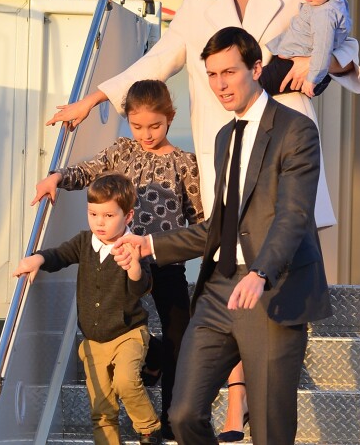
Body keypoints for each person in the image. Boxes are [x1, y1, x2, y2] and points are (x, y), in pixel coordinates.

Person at [45, 0, 360, 441]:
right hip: (226, 142)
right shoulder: (198, 3)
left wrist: (317, 63)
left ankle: (243, 410)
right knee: (229, 257)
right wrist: (92, 98)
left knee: (268, 249)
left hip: (281, 131)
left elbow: (344, 41)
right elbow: (160, 60)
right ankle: (235, 409)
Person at [112, 27, 333, 445]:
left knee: (270, 430)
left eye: (229, 72)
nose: (219, 85)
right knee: (183, 414)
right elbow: (220, 226)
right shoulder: (223, 136)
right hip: (218, 291)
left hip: (271, 290)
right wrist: (151, 245)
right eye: (212, 75)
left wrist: (262, 272)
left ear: (255, 68)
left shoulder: (296, 131)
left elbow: (293, 216)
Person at [32, 80, 203, 441]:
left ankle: (172, 416)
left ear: (170, 118)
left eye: (155, 126)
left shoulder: (185, 163)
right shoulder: (122, 152)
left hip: (164, 260)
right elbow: (86, 172)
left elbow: (200, 223)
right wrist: (56, 178)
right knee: (120, 324)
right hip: (115, 261)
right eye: (138, 126)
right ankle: (150, 359)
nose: (146, 134)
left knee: (178, 332)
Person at [13, 173, 162, 445]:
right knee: (101, 408)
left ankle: (148, 428)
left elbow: (143, 289)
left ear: (128, 217)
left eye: (108, 216)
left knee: (126, 382)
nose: (99, 222)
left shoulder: (133, 246)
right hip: (94, 341)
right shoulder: (84, 242)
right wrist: (37, 259)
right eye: (93, 214)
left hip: (128, 332)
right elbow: (60, 255)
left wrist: (135, 270)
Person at [261, 0, 352, 98]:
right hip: (293, 59)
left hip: (294, 66)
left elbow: (323, 48)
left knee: (254, 86)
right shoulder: (333, 2)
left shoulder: (325, 13)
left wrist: (312, 78)